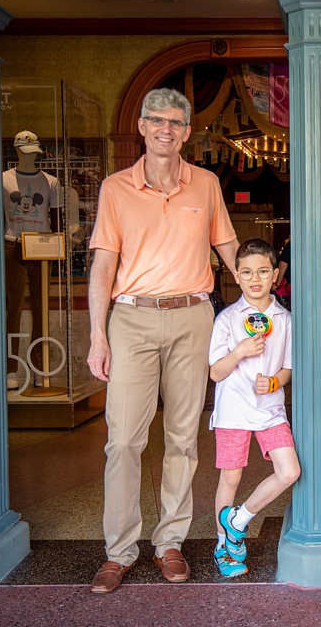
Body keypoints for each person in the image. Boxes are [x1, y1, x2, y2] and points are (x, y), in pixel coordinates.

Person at [86, 87, 239, 594]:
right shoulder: (115, 188)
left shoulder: (207, 185)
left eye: (175, 122)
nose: (165, 129)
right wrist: (96, 335)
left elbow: (229, 248)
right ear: (143, 127)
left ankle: (170, 541)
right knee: (124, 439)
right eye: (156, 120)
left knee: (182, 438)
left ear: (187, 131)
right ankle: (119, 550)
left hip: (193, 316)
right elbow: (104, 265)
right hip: (131, 319)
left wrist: (262, 304)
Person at [209, 238, 300, 578]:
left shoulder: (286, 319)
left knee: (289, 471)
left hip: (270, 409)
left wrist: (274, 382)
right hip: (233, 410)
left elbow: (288, 369)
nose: (255, 278)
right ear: (236, 275)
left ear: (276, 274)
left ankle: (238, 520)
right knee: (230, 479)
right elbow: (216, 372)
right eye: (246, 272)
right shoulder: (227, 320)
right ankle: (224, 547)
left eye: (263, 271)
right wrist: (240, 351)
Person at [2, 130, 61, 390]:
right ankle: (9, 368)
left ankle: (40, 367)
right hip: (12, 245)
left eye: (33, 152)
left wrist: (60, 247)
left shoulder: (50, 182)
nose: (30, 157)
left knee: (42, 308)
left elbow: (57, 219)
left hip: (42, 247)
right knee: (12, 308)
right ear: (16, 151)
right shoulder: (2, 180)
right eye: (26, 152)